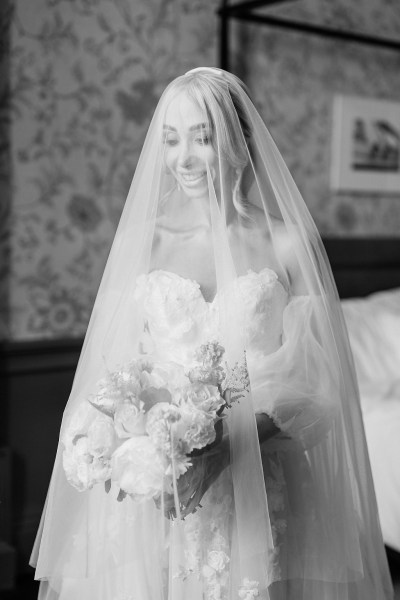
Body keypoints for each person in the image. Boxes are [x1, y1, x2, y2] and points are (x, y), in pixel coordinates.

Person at [30, 67, 393, 600]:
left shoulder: (290, 245)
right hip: (157, 493)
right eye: (171, 140)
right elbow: (108, 368)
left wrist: (225, 445)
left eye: (202, 137)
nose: (184, 158)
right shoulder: (143, 243)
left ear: (240, 142)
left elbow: (319, 380)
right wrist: (124, 441)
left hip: (263, 487)